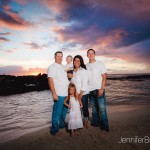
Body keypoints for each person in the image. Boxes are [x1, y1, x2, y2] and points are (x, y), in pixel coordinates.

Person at [86, 49, 109, 132]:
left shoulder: (100, 64)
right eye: (89, 54)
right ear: (87, 55)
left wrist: (102, 88)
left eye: (92, 53)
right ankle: (96, 123)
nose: (91, 55)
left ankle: (105, 127)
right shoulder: (86, 66)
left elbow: (104, 76)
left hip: (99, 89)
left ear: (94, 54)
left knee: (102, 109)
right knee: (94, 109)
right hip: (90, 90)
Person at [47, 51, 69, 135]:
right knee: (57, 112)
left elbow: (66, 78)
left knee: (64, 111)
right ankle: (54, 130)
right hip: (59, 93)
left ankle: (62, 125)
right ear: (54, 57)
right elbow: (50, 80)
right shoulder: (52, 67)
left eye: (61, 56)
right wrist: (54, 93)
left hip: (66, 93)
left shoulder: (64, 67)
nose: (59, 58)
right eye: (58, 56)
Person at [71, 55, 89, 129]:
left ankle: (86, 122)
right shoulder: (72, 71)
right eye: (75, 60)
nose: (76, 62)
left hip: (83, 93)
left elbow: (85, 83)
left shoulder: (83, 71)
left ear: (81, 62)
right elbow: (72, 83)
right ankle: (78, 123)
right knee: (77, 108)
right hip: (75, 93)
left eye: (78, 61)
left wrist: (80, 95)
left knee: (84, 108)